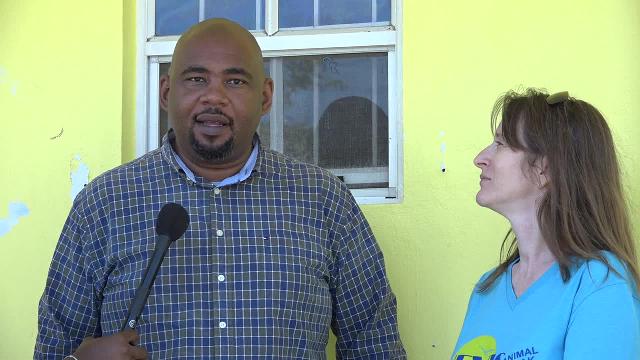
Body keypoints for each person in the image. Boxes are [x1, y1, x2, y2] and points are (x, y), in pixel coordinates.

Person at [35, 18, 405, 359]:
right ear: (166, 93)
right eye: (196, 79)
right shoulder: (103, 204)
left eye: (235, 81)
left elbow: (374, 345)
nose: (214, 96)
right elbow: (53, 348)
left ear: (264, 97)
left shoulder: (323, 201)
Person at [452, 89, 640, 359]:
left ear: (545, 169)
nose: (480, 158)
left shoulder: (599, 283)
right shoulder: (487, 288)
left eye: (501, 143)